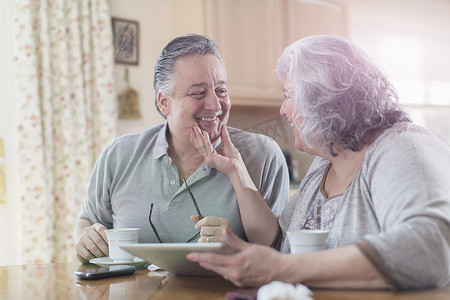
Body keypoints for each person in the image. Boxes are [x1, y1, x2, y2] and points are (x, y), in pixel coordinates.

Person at [187, 34, 450, 290]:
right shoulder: (325, 163)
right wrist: (235, 169)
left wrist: (281, 268)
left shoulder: (404, 148)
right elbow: (281, 243)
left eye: (289, 95)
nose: (283, 110)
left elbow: (431, 249)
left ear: (323, 98)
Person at [74, 34, 289, 263]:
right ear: (164, 102)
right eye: (198, 92)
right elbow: (88, 219)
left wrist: (237, 247)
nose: (216, 105)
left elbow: (278, 251)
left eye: (221, 90)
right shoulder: (119, 154)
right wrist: (86, 241)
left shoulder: (263, 155)